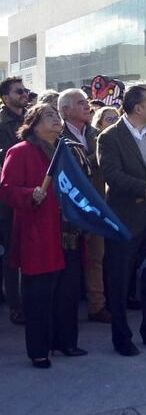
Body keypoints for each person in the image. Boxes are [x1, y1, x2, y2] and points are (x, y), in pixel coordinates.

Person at [0, 104, 87, 368]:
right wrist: (30, 194)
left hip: (68, 232)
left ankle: (65, 342)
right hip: (38, 233)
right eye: (49, 115)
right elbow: (6, 189)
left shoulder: (66, 151)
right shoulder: (20, 151)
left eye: (56, 115)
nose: (56, 119)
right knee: (38, 296)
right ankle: (38, 350)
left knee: (67, 292)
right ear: (34, 123)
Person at [96, 86, 146, 356]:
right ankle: (121, 338)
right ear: (138, 108)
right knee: (119, 280)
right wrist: (143, 188)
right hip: (124, 219)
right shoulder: (109, 137)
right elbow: (112, 175)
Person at [57, 89, 111, 324]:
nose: (87, 106)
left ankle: (97, 305)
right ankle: (64, 306)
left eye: (86, 102)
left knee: (95, 257)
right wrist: (91, 160)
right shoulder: (56, 135)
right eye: (80, 103)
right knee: (67, 260)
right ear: (65, 109)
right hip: (68, 208)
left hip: (96, 204)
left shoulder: (97, 134)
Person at [0, 75, 30, 326]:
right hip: (8, 196)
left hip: (35, 191)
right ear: (4, 97)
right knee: (11, 252)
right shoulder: (1, 124)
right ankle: (16, 306)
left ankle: (30, 300)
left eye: (24, 90)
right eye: (18, 91)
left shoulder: (32, 119)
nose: (23, 94)